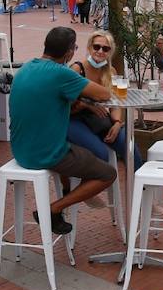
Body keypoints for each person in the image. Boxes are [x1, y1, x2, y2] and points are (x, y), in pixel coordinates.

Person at [8, 27, 118, 235]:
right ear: (69, 52)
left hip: (19, 150)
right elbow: (104, 94)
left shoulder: (26, 67)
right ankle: (53, 209)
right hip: (45, 154)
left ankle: (67, 191)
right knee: (107, 173)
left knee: (76, 147)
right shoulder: (62, 73)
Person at [66, 31, 141, 173]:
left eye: (105, 49)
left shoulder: (110, 71)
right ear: (89, 47)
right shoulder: (77, 69)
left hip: (99, 120)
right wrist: (87, 105)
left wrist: (118, 123)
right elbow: (66, 104)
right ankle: (84, 192)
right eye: (96, 47)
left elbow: (116, 102)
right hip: (75, 119)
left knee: (130, 148)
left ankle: (140, 189)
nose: (100, 51)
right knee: (100, 154)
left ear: (110, 52)